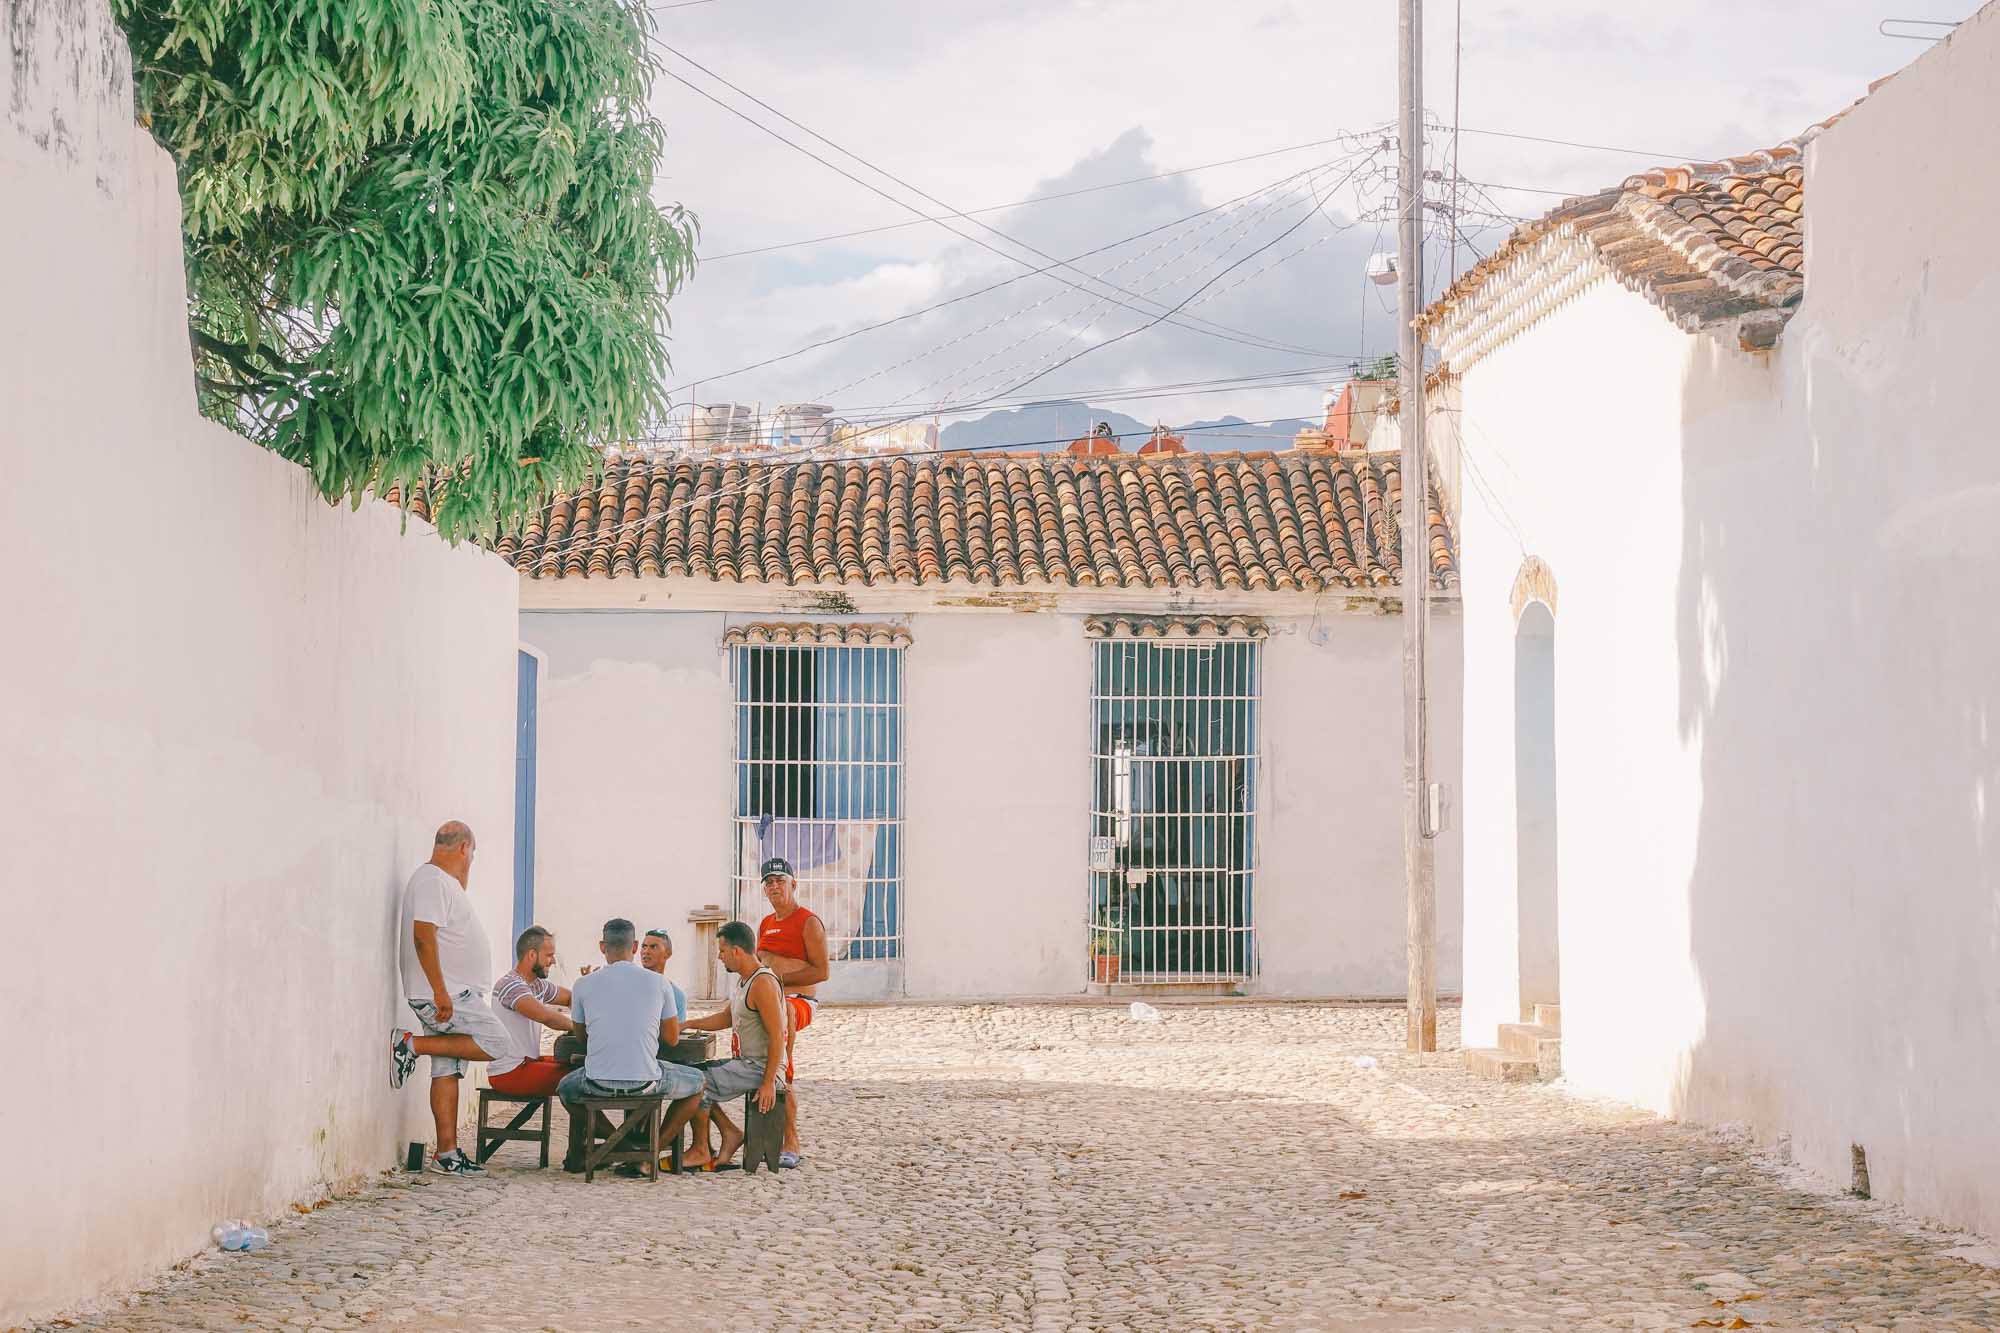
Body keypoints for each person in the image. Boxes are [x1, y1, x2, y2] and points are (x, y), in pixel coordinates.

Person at [390, 821, 507, 1175]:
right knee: (497, 1043)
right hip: (446, 994)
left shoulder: (444, 883)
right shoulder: (432, 880)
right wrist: (441, 990)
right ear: (464, 848)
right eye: (472, 854)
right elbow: (423, 937)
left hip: (447, 993)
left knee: (447, 1069)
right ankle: (410, 1044)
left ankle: (447, 1154)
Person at [558, 919, 704, 1175]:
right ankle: (649, 1152)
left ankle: (617, 1144)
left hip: (596, 1082)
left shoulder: (583, 984)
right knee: (699, 1083)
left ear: (602, 946)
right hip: (646, 1081)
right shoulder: (659, 983)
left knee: (565, 1089)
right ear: (635, 946)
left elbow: (581, 1037)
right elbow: (672, 1038)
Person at [663, 920, 788, 1172]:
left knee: (697, 1082)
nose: (719, 957)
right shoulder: (745, 981)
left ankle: (700, 1149)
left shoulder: (762, 983)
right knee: (694, 1073)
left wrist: (768, 1083)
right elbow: (726, 1017)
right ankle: (729, 1133)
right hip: (745, 1063)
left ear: (736, 951)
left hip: (761, 1068)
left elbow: (777, 1036)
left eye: (722, 951)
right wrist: (687, 1024)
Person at [756, 857, 829, 1168]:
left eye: (780, 881)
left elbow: (821, 972)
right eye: (769, 882)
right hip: (769, 1000)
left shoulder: (808, 922)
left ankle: (791, 1139)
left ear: (793, 884)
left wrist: (778, 975)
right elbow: (759, 965)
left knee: (780, 1066)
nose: (775, 886)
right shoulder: (765, 924)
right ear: (764, 889)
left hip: (797, 1002)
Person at [488, 926, 574, 1098]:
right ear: (532, 955)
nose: (553, 961)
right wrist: (580, 1027)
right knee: (580, 1079)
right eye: (549, 955)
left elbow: (571, 998)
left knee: (581, 1068)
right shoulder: (510, 985)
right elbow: (546, 1017)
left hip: (528, 1063)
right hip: (510, 1072)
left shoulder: (537, 985)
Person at [639, 929, 690, 1034]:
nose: (646, 951)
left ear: (668, 953)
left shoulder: (677, 996)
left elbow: (673, 1035)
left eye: (653, 947)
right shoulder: (630, 983)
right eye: (644, 946)